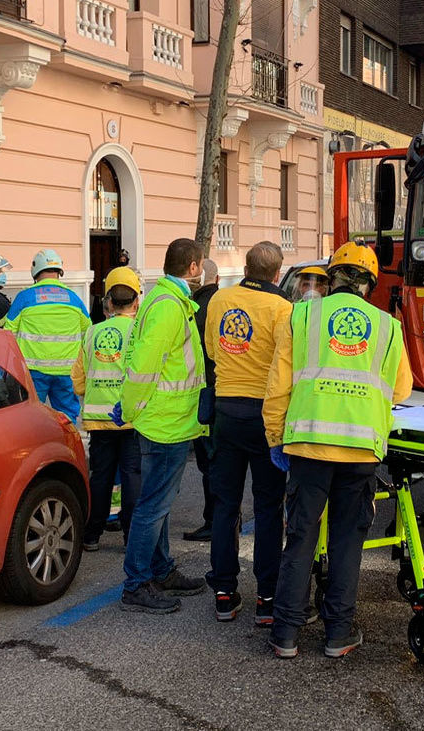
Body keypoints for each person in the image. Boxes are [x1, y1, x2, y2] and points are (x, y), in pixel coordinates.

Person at [263, 242, 412, 658]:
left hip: (308, 446)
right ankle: (338, 634)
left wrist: (275, 437)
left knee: (300, 538)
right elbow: (401, 389)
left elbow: (278, 386)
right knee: (347, 543)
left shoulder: (301, 316)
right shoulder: (388, 327)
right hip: (361, 451)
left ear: (332, 279)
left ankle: (285, 634)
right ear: (369, 285)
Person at [114, 238, 210, 613]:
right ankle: (137, 584)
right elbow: (144, 366)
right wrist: (130, 408)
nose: (202, 271)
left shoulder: (165, 299)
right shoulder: (169, 305)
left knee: (159, 504)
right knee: (152, 507)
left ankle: (161, 569)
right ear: (192, 267)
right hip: (165, 423)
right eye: (201, 265)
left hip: (167, 420)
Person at [203, 242, 292, 624]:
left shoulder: (220, 300)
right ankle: (267, 598)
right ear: (277, 274)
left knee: (225, 504)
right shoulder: (283, 308)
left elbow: (212, 350)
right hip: (266, 415)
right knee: (269, 507)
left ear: (245, 268)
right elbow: (287, 362)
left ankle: (224, 592)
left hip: (226, 411)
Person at [73, 267, 144, 550]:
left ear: (109, 302)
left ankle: (92, 534)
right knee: (131, 475)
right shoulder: (140, 332)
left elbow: (77, 380)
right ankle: (130, 536)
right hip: (131, 418)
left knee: (101, 477)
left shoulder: (93, 332)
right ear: (136, 301)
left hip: (98, 420)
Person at [4, 249, 91, 422]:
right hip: (67, 371)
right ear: (59, 272)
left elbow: (8, 332)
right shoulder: (74, 299)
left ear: (35, 271)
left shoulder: (25, 297)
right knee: (67, 419)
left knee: (31, 418)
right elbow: (88, 332)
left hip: (34, 371)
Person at [184, 258, 220, 542]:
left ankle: (213, 520)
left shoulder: (194, 308)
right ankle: (222, 517)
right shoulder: (222, 304)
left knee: (209, 461)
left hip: (203, 391)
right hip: (223, 388)